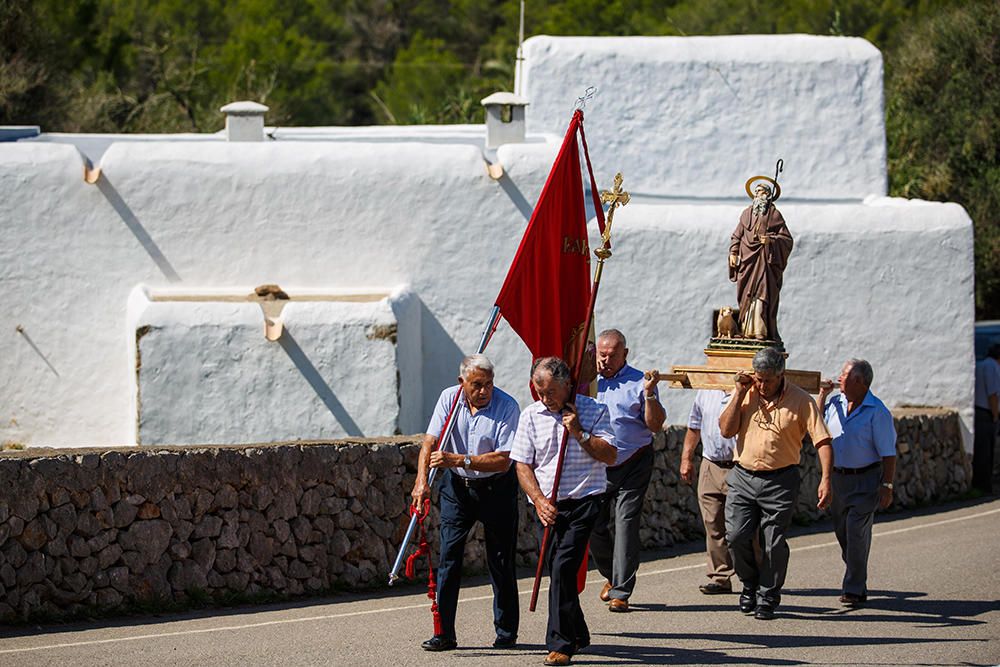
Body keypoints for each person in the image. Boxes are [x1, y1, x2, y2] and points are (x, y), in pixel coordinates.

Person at [509, 357, 617, 667]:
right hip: (549, 505)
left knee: (562, 566)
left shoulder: (594, 411)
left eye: (551, 391)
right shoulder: (531, 416)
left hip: (585, 500)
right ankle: (578, 631)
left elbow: (610, 455)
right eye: (540, 391)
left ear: (568, 385)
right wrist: (539, 500)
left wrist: (580, 433)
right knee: (561, 569)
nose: (545, 398)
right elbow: (522, 464)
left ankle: (561, 644)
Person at [411, 354, 521, 652]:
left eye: (488, 384)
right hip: (458, 488)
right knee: (449, 558)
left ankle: (506, 631)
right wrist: (421, 482)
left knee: (500, 559)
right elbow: (429, 443)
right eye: (477, 385)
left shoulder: (507, 406)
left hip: (496, 488)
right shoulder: (449, 399)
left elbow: (503, 460)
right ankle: (444, 632)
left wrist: (459, 459)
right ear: (463, 383)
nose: (484, 391)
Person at [719, 346, 832, 620]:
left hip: (781, 480)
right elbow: (725, 429)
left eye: (767, 379)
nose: (762, 384)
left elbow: (823, 440)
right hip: (743, 476)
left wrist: (826, 478)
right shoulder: (747, 394)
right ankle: (749, 584)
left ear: (781, 375)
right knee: (735, 536)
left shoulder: (801, 400)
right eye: (758, 378)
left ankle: (768, 595)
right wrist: (739, 393)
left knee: (773, 542)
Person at [590, 329, 665, 612]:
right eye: (602, 355)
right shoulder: (587, 382)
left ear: (625, 354)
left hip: (634, 461)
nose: (606, 361)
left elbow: (655, 425)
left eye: (612, 355)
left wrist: (650, 396)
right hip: (598, 464)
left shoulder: (640, 382)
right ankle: (612, 575)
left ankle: (621, 591)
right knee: (594, 525)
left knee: (625, 523)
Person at [817, 359, 897, 607]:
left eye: (844, 375)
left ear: (860, 382)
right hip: (838, 478)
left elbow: (888, 453)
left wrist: (887, 485)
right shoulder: (834, 403)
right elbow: (815, 425)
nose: (839, 378)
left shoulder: (878, 412)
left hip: (866, 479)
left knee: (856, 533)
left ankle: (853, 587)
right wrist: (821, 394)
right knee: (843, 533)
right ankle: (856, 574)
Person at [680, 389, 739, 594]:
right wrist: (687, 458)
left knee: (742, 527)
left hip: (740, 465)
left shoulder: (748, 389)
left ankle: (755, 575)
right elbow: (694, 427)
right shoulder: (705, 391)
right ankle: (720, 577)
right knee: (712, 522)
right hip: (710, 463)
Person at [728, 182, 793, 342]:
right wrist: (733, 252)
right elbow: (737, 235)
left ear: (768, 195)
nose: (757, 195)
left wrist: (770, 240)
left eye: (761, 192)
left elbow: (787, 239)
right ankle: (746, 330)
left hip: (764, 262)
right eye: (756, 192)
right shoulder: (746, 214)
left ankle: (760, 331)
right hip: (747, 262)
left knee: (762, 294)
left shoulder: (774, 215)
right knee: (746, 296)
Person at [973, 343, 1000, 493]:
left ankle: (983, 484)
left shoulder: (982, 365)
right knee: (985, 452)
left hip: (980, 412)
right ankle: (984, 486)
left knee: (984, 451)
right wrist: (996, 416)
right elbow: (993, 394)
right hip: (986, 413)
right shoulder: (992, 367)